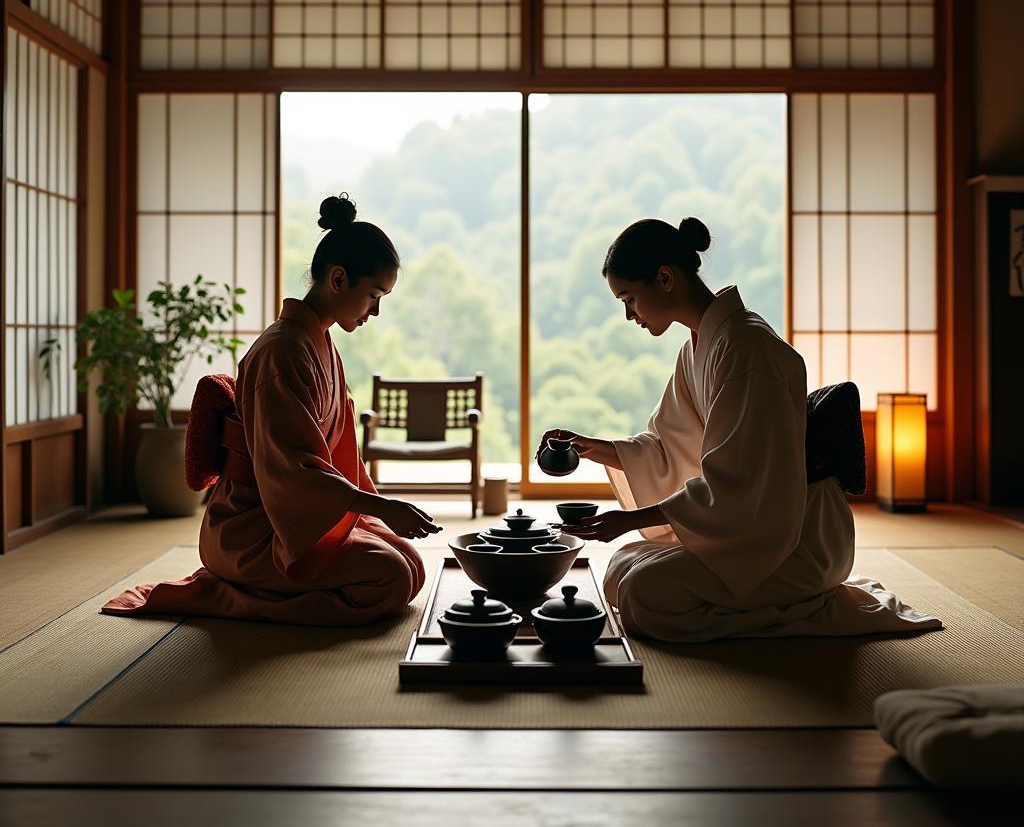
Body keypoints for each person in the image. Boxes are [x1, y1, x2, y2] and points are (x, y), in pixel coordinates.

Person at [537, 216, 941, 643]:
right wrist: (596, 449)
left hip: (794, 540)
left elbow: (740, 485)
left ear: (665, 278)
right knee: (620, 569)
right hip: (752, 527)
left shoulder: (745, 348)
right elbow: (669, 447)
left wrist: (630, 518)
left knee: (643, 595)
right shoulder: (699, 347)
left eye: (629, 298)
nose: (628, 314)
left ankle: (804, 607)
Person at [104, 194, 440, 627]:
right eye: (373, 295)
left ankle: (270, 587)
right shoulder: (282, 352)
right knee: (390, 579)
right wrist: (379, 507)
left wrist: (375, 507)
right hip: (253, 529)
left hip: (290, 515)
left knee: (410, 565)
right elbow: (293, 471)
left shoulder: (319, 344)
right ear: (338, 279)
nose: (375, 310)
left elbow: (337, 455)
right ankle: (235, 597)